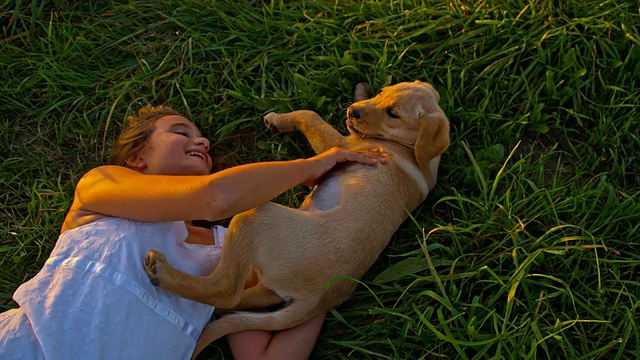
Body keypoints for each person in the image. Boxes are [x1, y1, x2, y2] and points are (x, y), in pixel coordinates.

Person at [0, 105, 386, 360]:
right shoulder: (100, 189)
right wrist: (311, 165)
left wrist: (333, 275)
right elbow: (214, 198)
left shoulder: (230, 249)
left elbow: (266, 353)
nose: (201, 141)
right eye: (181, 132)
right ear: (138, 158)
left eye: (201, 139)